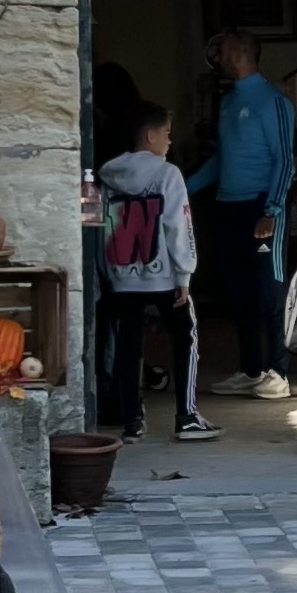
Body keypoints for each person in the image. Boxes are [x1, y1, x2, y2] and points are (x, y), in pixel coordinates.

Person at [188, 28, 296, 402]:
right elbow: (224, 157)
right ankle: (252, 370)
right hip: (228, 206)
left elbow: (285, 160)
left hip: (262, 206)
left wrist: (272, 210)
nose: (217, 59)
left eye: (221, 52)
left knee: (269, 290)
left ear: (238, 53)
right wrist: (184, 187)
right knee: (239, 292)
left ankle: (278, 372)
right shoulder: (230, 101)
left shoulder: (273, 101)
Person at [91, 100, 209, 438]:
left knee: (128, 346)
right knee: (185, 337)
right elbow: (178, 225)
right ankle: (186, 416)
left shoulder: (107, 177)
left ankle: (131, 421)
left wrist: (106, 272)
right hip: (163, 276)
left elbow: (99, 228)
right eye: (167, 134)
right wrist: (184, 273)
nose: (170, 141)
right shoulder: (168, 173)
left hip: (122, 277)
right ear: (150, 136)